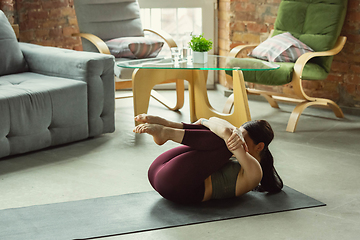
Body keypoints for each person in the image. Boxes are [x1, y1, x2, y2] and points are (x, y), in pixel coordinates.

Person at [133, 114, 283, 204]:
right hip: (157, 171)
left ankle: (169, 129)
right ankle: (168, 127)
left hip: (176, 187)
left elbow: (225, 131)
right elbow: (222, 127)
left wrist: (206, 121)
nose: (239, 140)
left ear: (259, 146)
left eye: (243, 138)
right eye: (239, 135)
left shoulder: (255, 172)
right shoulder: (234, 153)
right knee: (222, 137)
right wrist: (207, 121)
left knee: (225, 141)